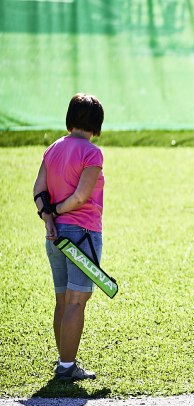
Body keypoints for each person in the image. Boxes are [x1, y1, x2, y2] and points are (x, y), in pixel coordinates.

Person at [33, 93, 106, 381]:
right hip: (83, 235)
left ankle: (63, 361)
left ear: (70, 118)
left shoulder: (52, 149)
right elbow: (79, 198)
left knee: (63, 300)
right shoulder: (92, 153)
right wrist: (58, 211)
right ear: (97, 123)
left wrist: (49, 218)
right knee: (76, 300)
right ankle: (66, 367)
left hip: (55, 236)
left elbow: (38, 190)